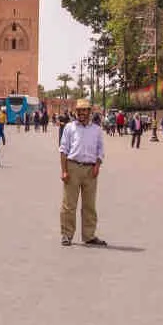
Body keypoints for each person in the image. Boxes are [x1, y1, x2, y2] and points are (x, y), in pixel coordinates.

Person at [59, 99, 106, 247]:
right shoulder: (69, 127)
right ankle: (66, 235)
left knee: (89, 205)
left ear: (89, 112)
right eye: (79, 111)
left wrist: (97, 166)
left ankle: (89, 235)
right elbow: (63, 150)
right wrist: (64, 171)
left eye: (84, 110)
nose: (81, 113)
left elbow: (100, 150)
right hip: (73, 167)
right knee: (69, 204)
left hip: (90, 170)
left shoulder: (96, 130)